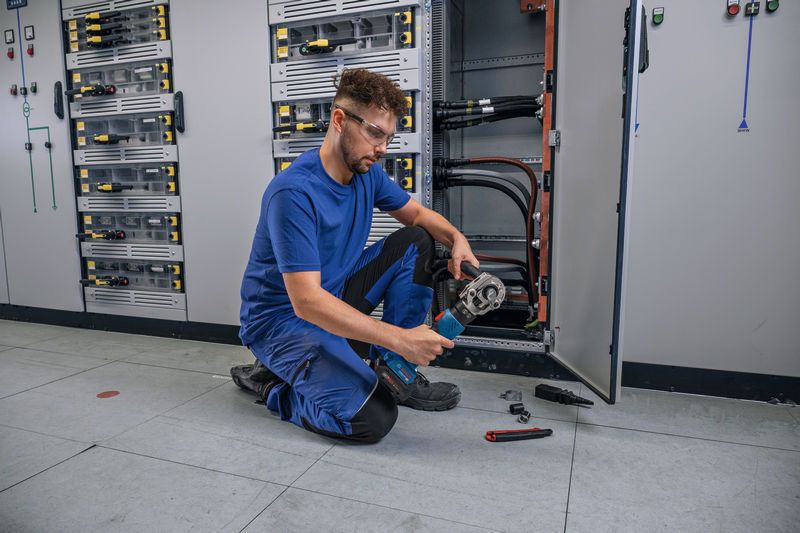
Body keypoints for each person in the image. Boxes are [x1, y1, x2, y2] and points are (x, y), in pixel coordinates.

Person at [232, 68, 479, 443]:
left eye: (388, 138)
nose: (382, 149)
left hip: (330, 298)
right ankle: (271, 384)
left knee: (417, 239)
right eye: (374, 133)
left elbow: (418, 215)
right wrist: (399, 336)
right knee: (372, 419)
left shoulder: (367, 174)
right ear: (339, 120)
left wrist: (457, 238)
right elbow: (306, 302)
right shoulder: (293, 194)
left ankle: (397, 371)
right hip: (281, 322)